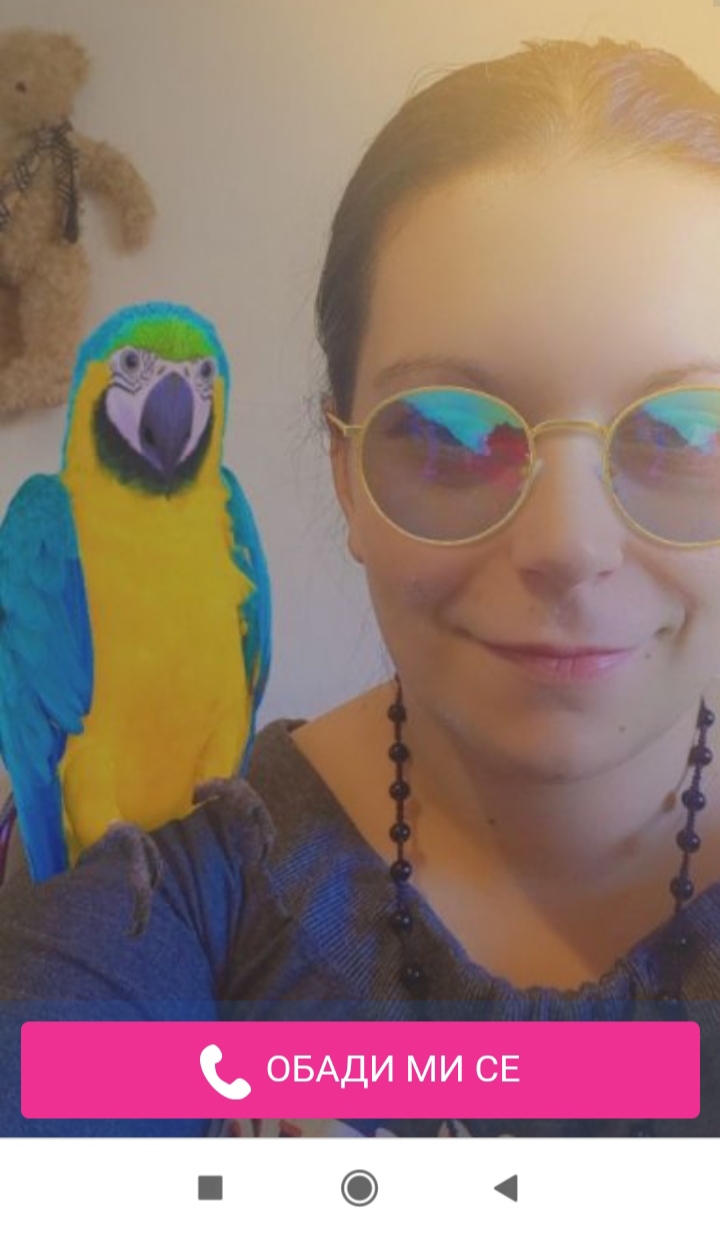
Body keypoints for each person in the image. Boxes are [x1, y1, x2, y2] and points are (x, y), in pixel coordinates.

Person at [2, 33, 720, 1139]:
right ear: (344, 475)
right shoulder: (182, 889)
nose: (569, 546)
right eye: (444, 433)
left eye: (686, 434)